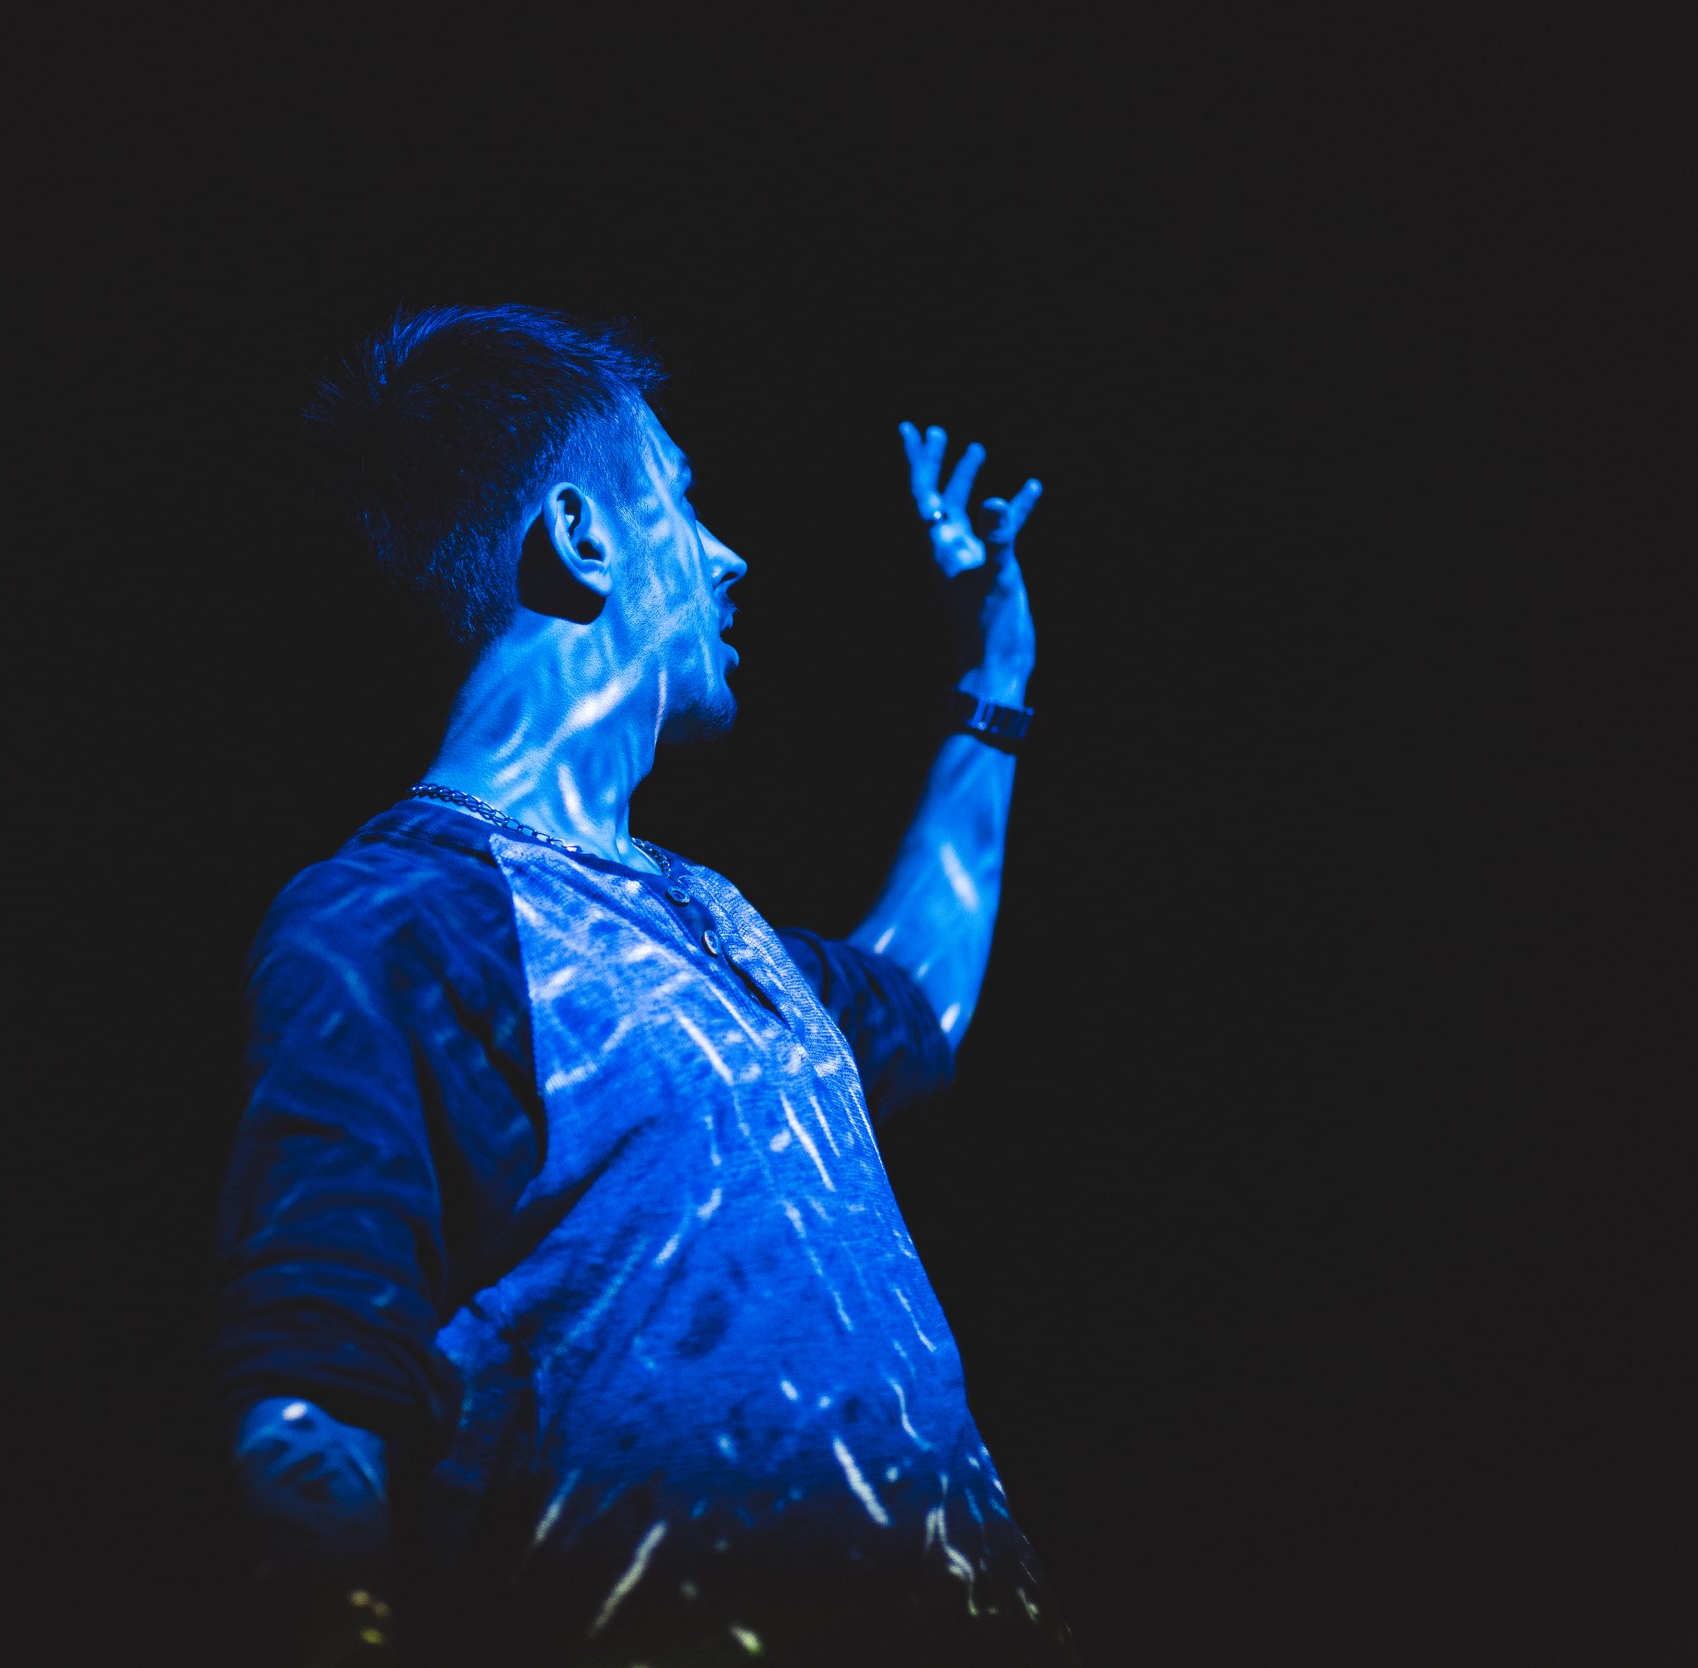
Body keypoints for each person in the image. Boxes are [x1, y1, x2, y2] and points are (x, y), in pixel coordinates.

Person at [216, 305, 1075, 1665]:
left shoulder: (715, 917)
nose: (731, 556)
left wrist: (996, 685)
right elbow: (309, 1402)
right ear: (579, 533)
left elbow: (921, 1002)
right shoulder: (398, 917)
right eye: (681, 499)